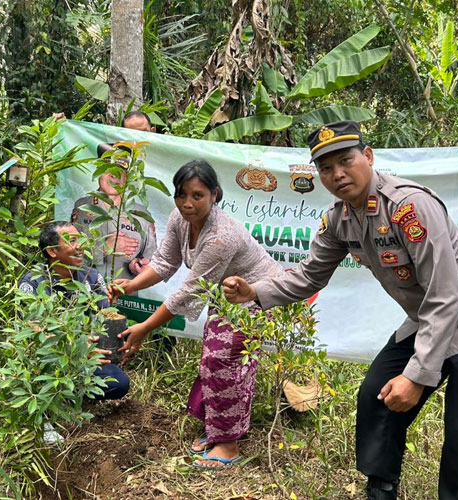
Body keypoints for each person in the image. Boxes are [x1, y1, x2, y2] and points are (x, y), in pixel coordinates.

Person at [223, 121, 458, 499]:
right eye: (325, 168)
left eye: (346, 160)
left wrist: (418, 375)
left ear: (368, 157)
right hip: (435, 318)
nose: (337, 174)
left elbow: (445, 293)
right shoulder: (339, 219)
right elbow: (309, 275)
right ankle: (381, 488)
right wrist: (254, 291)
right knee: (378, 394)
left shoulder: (409, 206)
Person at [108, 160, 282, 469]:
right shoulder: (180, 218)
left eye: (197, 196)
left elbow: (189, 291)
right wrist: (132, 284)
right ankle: (216, 429)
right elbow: (164, 262)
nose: (188, 203)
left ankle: (228, 444)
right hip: (227, 293)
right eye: (181, 194)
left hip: (259, 295)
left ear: (214, 194)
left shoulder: (221, 237)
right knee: (211, 359)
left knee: (226, 362)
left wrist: (146, 327)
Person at [18, 221, 130, 402]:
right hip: (50, 360)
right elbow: (33, 333)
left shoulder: (91, 276)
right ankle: (55, 395)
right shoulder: (33, 282)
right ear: (52, 251)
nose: (80, 247)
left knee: (119, 382)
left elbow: (104, 317)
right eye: (71, 241)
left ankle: (69, 395)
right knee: (36, 377)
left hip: (87, 357)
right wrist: (75, 348)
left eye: (80, 240)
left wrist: (103, 347)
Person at [72, 143, 157, 281]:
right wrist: (104, 248)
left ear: (128, 176)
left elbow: (153, 261)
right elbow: (68, 255)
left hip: (125, 298)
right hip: (85, 295)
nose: (114, 176)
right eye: (107, 169)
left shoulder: (142, 216)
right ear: (98, 170)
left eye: (120, 170)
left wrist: (138, 267)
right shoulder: (83, 208)